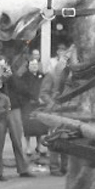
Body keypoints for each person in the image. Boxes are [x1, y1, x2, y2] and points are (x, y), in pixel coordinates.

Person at [0, 53, 35, 178]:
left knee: (18, 140)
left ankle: (23, 168)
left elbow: (22, 89)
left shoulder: (15, 76)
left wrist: (11, 77)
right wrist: (4, 78)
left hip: (14, 108)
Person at [39, 44, 73, 177]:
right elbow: (43, 93)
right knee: (55, 139)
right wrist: (53, 104)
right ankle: (54, 167)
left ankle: (65, 167)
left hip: (68, 111)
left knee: (68, 139)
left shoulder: (72, 76)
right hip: (55, 111)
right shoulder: (52, 74)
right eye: (66, 59)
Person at [17, 58, 46, 160]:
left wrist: (42, 98)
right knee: (28, 126)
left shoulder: (42, 76)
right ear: (28, 66)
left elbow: (44, 87)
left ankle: (39, 146)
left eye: (35, 64)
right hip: (28, 104)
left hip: (40, 104)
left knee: (40, 126)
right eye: (32, 65)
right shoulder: (24, 77)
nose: (34, 66)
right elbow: (23, 90)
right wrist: (34, 98)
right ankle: (28, 146)